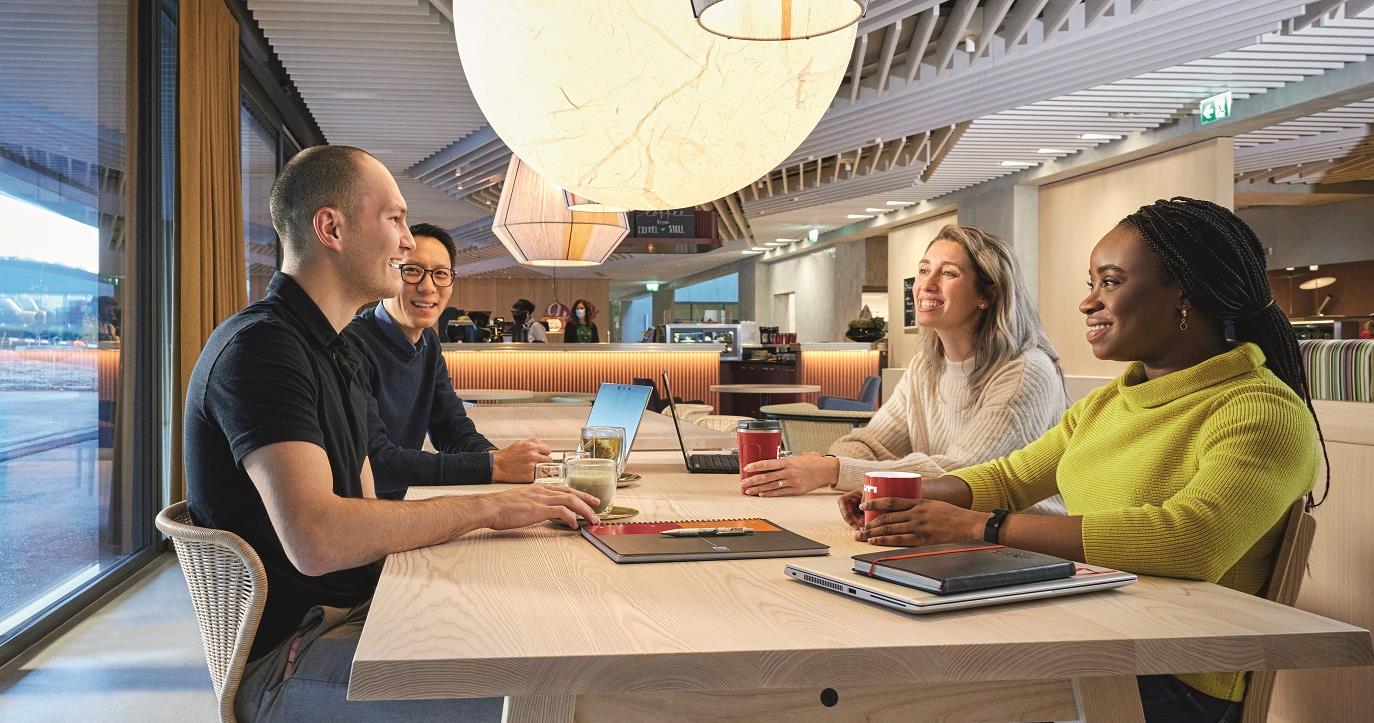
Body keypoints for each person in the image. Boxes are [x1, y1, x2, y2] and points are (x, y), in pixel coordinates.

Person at [840, 197, 1326, 723]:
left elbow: (1189, 541)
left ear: (1184, 294)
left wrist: (982, 526)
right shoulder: (1111, 401)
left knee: (908, 702)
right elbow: (1010, 477)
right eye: (1091, 283)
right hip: (1088, 636)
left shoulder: (1261, 411)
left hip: (1173, 673)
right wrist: (909, 497)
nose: (1087, 303)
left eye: (1110, 283)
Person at [183, 145, 600, 722]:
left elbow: (368, 494)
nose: (407, 242)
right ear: (330, 227)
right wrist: (492, 507)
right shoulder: (262, 349)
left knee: (556, 630)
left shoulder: (330, 348)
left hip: (356, 607)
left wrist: (495, 514)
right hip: (292, 656)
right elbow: (320, 539)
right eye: (395, 219)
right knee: (565, 695)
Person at [741, 224, 1067, 516]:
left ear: (987, 295)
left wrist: (833, 470)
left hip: (1021, 548)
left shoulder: (1025, 372)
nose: (927, 284)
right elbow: (871, 443)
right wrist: (832, 464)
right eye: (924, 270)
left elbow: (963, 476)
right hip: (945, 530)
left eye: (949, 273)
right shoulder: (925, 367)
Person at [342, 223, 554, 497]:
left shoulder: (428, 342)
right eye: (413, 271)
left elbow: (451, 429)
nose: (428, 287)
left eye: (441, 274)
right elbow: (375, 460)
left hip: (394, 509)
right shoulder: (351, 345)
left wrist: (497, 458)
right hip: (356, 519)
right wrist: (493, 466)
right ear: (389, 272)